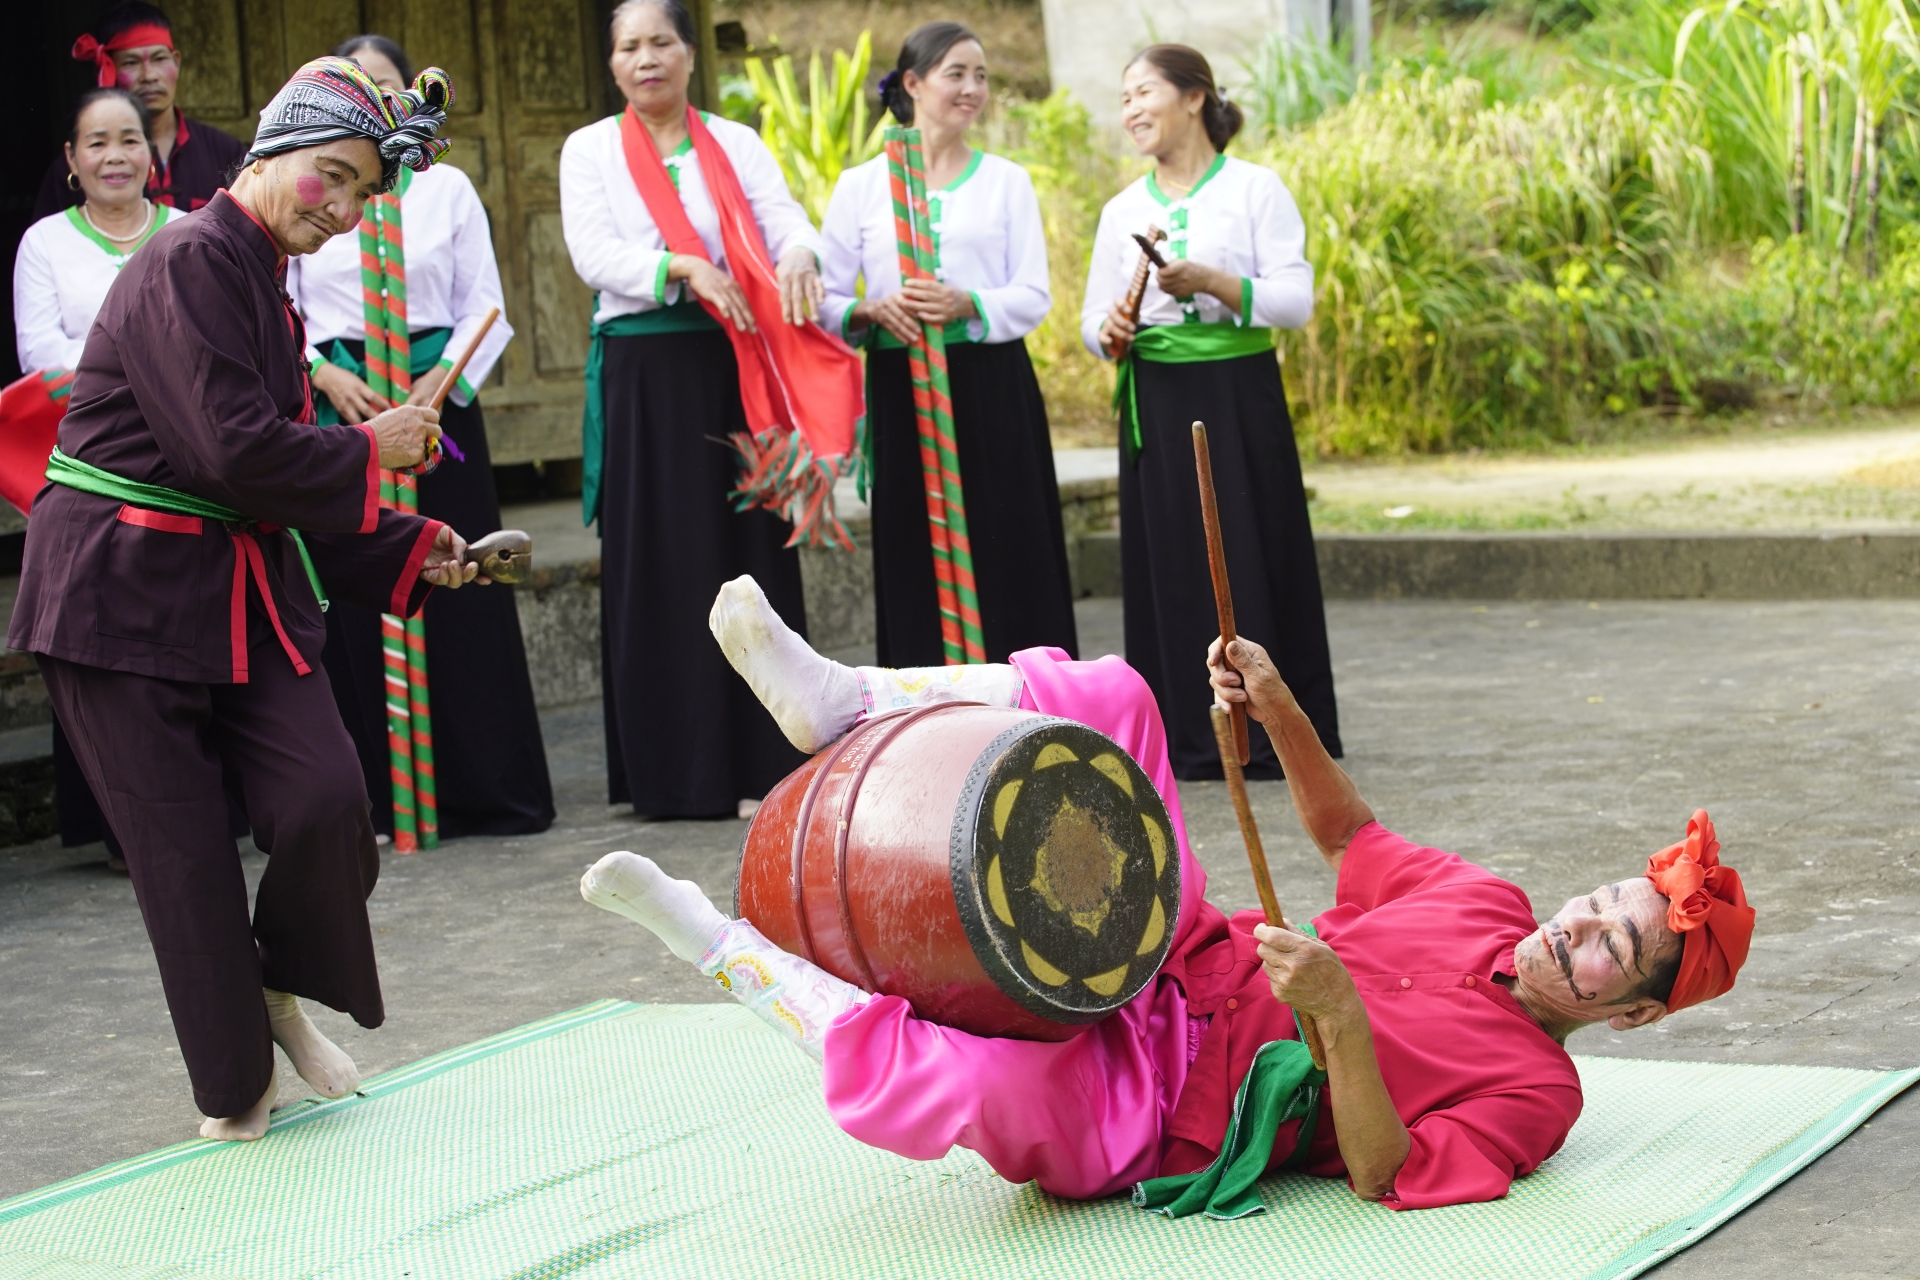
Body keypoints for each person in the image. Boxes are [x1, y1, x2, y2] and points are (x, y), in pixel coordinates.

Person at [582, 576, 1755, 1212]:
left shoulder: (1539, 1091)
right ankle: (849, 700)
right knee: (1116, 693)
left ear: (1635, 1011)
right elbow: (1347, 831)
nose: (1581, 920)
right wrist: (1278, 704)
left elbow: (1391, 1172)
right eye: (1605, 893)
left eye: (1615, 944)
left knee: (959, 1080)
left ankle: (716, 942)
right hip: (1184, 945)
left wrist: (1339, 1017)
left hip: (1163, 1110)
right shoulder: (1484, 898)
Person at [8, 57, 485, 1141]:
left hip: (227, 578)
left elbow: (255, 478)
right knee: (184, 860)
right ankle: (235, 1093)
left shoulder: (264, 279)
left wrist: (413, 547)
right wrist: (367, 445)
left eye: (364, 192)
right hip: (113, 595)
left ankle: (274, 983)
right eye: (334, 177)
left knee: (323, 796)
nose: (347, 209)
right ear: (271, 152)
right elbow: (229, 451)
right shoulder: (188, 257)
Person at [560, 0, 856, 820]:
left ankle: (770, 755)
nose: (646, 58)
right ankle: (675, 771)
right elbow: (595, 254)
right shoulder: (589, 148)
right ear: (613, 64)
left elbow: (784, 219)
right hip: (647, 374)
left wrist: (799, 252)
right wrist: (685, 266)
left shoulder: (734, 141)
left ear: (690, 54)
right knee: (663, 555)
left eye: (661, 41)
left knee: (745, 548)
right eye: (629, 46)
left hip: (735, 365)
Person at [292, 34, 554, 842]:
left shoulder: (448, 189)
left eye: (390, 86)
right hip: (346, 403)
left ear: (415, 96)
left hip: (436, 393)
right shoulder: (313, 183)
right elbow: (286, 299)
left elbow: (487, 306)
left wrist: (431, 394)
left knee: (457, 578)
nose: (377, 98)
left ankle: (483, 788)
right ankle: (373, 795)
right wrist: (324, 377)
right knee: (358, 586)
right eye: (359, 87)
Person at [1082, 45, 1340, 782]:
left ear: (1194, 97)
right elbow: (1089, 319)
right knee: (1172, 556)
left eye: (1144, 92)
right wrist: (1109, 332)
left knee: (1253, 546)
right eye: (1123, 97)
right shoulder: (1122, 210)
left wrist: (1215, 282)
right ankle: (1186, 741)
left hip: (1237, 391)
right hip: (1156, 396)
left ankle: (1277, 733)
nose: (1131, 109)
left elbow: (1294, 300)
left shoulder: (1256, 189)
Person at [820, 23, 1077, 665]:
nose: (972, 89)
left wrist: (970, 303)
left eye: (981, 76)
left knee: (1007, 540)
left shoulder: (1006, 181)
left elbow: (1033, 295)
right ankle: (925, 719)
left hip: (990, 381)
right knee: (915, 545)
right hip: (900, 383)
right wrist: (868, 309)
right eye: (956, 73)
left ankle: (1028, 705)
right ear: (913, 84)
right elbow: (824, 301)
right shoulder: (860, 186)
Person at [14, 87, 184, 865]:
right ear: (71, 160)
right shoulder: (45, 242)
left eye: (130, 140)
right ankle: (121, 825)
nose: (115, 156)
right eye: (97, 143)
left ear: (155, 153)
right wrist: (145, 372)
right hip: (91, 469)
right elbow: (41, 359)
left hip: (188, 463)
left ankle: (202, 808)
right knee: (103, 637)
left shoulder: (187, 233)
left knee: (184, 628)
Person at [33, 3, 247, 219]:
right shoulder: (78, 166)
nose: (149, 75)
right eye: (130, 63)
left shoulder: (226, 151)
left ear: (177, 62)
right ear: (107, 68)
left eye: (160, 59)